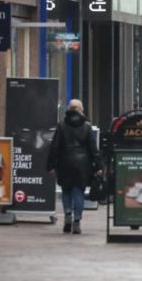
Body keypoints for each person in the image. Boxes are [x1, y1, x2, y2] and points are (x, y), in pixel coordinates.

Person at [47, 99, 104, 234]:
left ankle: (67, 214)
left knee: (66, 190)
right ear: (80, 110)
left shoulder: (61, 125)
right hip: (82, 165)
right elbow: (92, 149)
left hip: (64, 163)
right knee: (78, 191)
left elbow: (55, 147)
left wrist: (51, 165)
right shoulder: (86, 127)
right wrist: (99, 166)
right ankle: (77, 221)